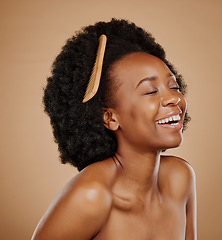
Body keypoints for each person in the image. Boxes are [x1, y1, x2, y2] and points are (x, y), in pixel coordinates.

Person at [32, 18, 197, 240]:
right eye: (150, 91)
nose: (173, 99)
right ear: (109, 117)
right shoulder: (91, 195)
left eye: (173, 86)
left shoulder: (180, 178)